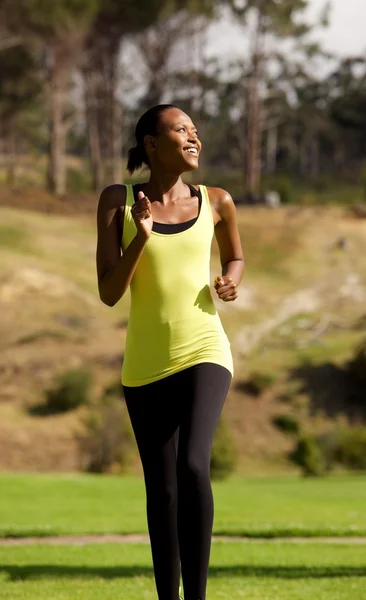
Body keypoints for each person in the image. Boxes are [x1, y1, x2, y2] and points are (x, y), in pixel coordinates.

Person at [96, 104, 244, 600]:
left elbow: (236, 255)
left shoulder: (217, 200)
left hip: (204, 346)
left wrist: (231, 280)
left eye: (196, 131)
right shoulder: (117, 200)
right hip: (145, 361)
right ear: (151, 144)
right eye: (182, 129)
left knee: (193, 466)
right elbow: (110, 292)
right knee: (161, 491)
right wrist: (142, 235)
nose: (194, 137)